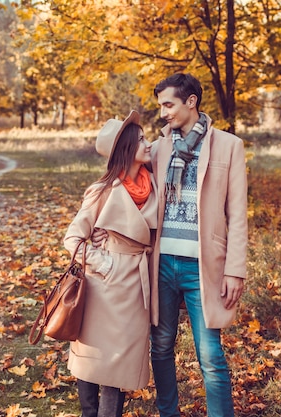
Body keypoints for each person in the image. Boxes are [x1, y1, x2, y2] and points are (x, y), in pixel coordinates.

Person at [149, 73, 247, 417]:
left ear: (191, 101)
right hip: (161, 264)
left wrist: (235, 270)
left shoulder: (228, 146)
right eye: (161, 105)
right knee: (160, 347)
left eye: (168, 104)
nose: (163, 112)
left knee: (210, 355)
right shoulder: (159, 148)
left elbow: (237, 214)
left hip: (203, 266)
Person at [63, 110, 157, 417]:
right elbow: (73, 239)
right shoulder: (103, 191)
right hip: (104, 287)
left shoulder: (153, 187)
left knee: (117, 364)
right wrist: (105, 265)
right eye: (141, 139)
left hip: (137, 287)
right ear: (127, 149)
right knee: (94, 356)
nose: (148, 143)